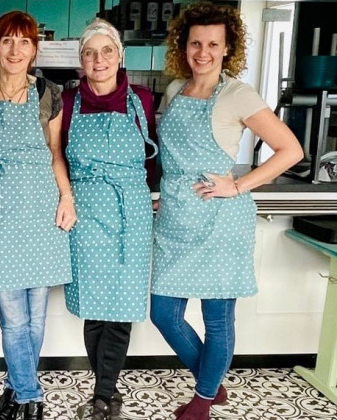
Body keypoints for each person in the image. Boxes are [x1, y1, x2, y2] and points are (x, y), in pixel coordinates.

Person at [149, 3, 303, 420]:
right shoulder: (176, 89)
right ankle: (212, 381)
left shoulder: (238, 94)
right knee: (163, 314)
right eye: (195, 43)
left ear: (227, 47)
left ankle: (203, 399)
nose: (203, 52)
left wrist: (237, 184)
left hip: (220, 220)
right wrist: (169, 192)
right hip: (177, 217)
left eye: (213, 44)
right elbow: (174, 159)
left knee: (217, 320)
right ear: (183, 46)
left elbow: (291, 150)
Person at [0, 10, 75, 420]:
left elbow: (55, 153)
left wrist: (67, 197)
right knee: (13, 317)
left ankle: (15, 390)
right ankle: (29, 396)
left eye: (24, 41)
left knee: (36, 317)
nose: (15, 49)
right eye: (7, 40)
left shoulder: (49, 93)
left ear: (34, 49)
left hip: (40, 209)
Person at [60, 18, 158, 420]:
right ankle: (106, 390)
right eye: (89, 53)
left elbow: (155, 158)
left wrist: (153, 194)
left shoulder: (142, 99)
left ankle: (103, 395)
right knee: (95, 306)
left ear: (120, 55)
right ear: (80, 60)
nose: (98, 60)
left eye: (106, 51)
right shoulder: (67, 101)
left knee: (120, 309)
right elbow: (56, 156)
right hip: (85, 212)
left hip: (130, 212)